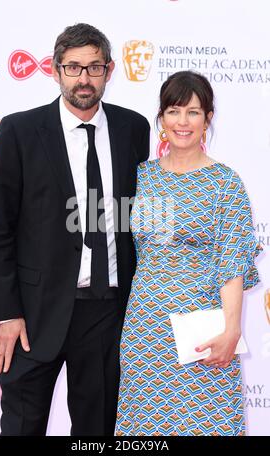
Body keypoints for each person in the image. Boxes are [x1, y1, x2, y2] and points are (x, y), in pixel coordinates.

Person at [0, 23, 150, 436]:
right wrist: (7, 312)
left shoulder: (134, 129)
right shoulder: (20, 131)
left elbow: (138, 219)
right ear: (56, 70)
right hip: (34, 314)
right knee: (22, 427)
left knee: (96, 431)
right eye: (73, 67)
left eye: (94, 67)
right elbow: (1, 225)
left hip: (107, 311)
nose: (84, 79)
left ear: (110, 71)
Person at [115, 70, 262, 436]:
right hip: (144, 329)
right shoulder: (140, 177)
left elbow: (232, 262)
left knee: (209, 423)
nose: (183, 122)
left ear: (208, 118)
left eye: (193, 112)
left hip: (203, 329)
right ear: (161, 118)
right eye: (174, 111)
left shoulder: (226, 183)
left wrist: (231, 329)